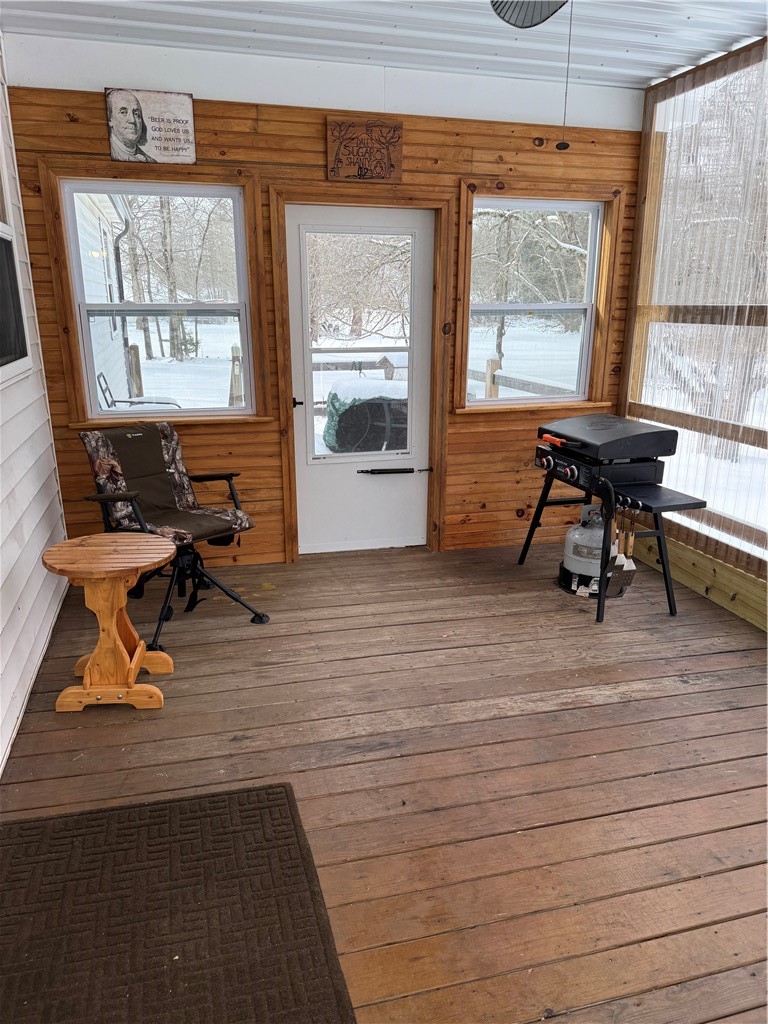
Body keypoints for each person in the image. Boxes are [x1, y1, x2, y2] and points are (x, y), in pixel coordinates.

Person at [106, 89, 157, 163]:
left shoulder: (151, 161)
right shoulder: (108, 155)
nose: (132, 120)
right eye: (123, 112)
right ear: (110, 119)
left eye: (136, 114)